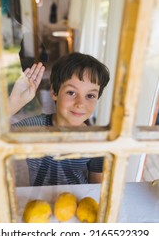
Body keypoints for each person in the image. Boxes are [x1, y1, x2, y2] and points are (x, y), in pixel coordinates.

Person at [10, 52, 110, 186]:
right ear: (54, 93)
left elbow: (97, 185)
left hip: (76, 203)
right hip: (39, 203)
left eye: (90, 96)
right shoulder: (34, 127)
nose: (80, 103)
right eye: (71, 93)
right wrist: (12, 104)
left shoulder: (97, 140)